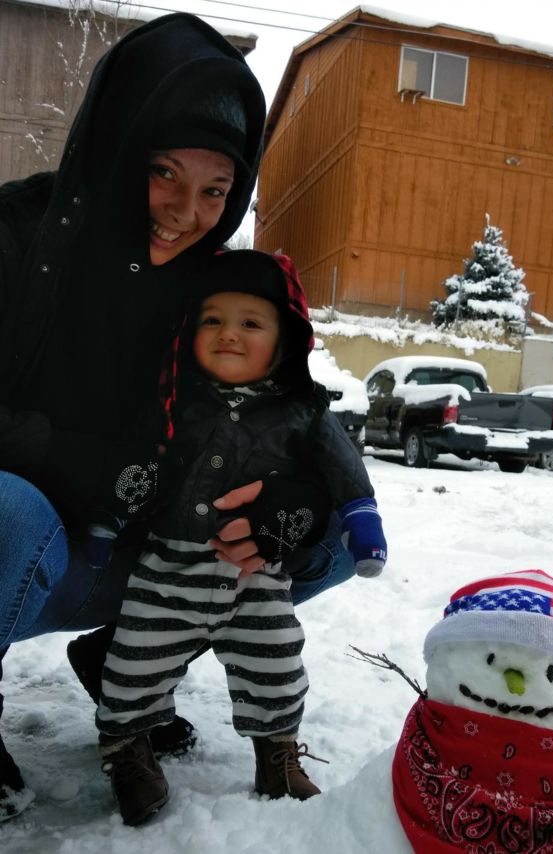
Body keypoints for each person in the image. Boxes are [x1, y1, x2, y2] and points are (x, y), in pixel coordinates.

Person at [0, 13, 354, 822]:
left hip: (147, 557)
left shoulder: (217, 285)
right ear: (114, 148)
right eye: (162, 172)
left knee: (332, 534)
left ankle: (127, 659)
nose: (185, 212)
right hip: (33, 547)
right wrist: (90, 468)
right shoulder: (19, 236)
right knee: (6, 512)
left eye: (215, 190)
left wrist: (300, 497)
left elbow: (296, 404)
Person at [93, 249, 387, 826]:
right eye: (212, 320)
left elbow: (343, 468)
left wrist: (362, 519)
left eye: (250, 322)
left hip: (256, 576)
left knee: (275, 664)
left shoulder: (302, 411)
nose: (228, 333)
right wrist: (109, 517)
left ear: (284, 342)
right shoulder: (173, 400)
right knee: (134, 665)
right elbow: (133, 462)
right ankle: (127, 752)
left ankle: (277, 754)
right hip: (166, 568)